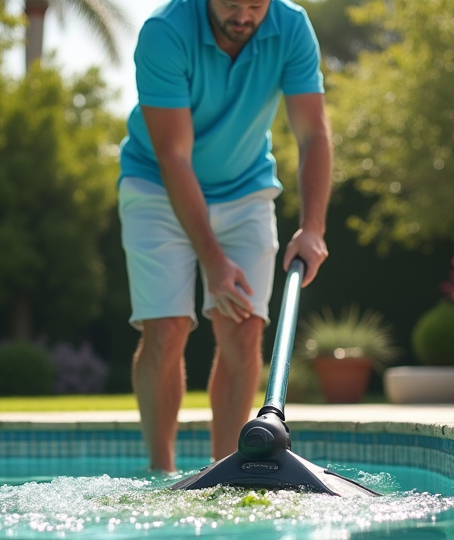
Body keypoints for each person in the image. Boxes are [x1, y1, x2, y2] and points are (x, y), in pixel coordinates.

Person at [118, 0, 332, 472]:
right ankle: (161, 472)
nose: (244, 16)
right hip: (156, 183)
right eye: (232, 4)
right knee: (167, 326)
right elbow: (174, 156)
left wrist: (313, 227)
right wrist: (212, 261)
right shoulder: (165, 32)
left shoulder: (291, 26)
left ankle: (223, 473)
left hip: (245, 188)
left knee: (242, 329)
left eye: (256, 5)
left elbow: (313, 132)